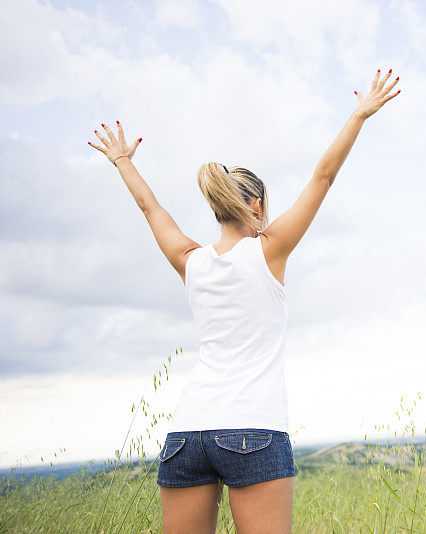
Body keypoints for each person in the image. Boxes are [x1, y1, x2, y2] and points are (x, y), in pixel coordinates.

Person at [88, 68, 401, 534]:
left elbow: (150, 208)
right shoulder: (269, 250)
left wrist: (123, 162)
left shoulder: (190, 261)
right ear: (256, 207)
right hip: (253, 428)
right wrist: (359, 115)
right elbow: (324, 177)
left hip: (187, 434)